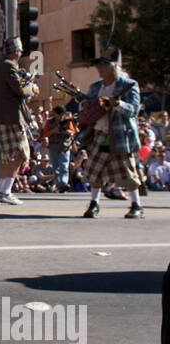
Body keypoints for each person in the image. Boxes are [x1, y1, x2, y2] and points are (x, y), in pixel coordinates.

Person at [80, 48, 144, 219]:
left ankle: (136, 205)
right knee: (95, 171)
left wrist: (118, 104)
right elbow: (88, 106)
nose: (100, 68)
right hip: (99, 133)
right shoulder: (95, 87)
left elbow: (134, 110)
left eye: (104, 65)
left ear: (114, 66)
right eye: (99, 65)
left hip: (120, 134)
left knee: (127, 171)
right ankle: (94, 204)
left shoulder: (128, 85)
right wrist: (86, 106)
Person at [0, 37, 35, 206]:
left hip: (1, 118)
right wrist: (32, 88)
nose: (22, 53)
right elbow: (20, 89)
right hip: (12, 118)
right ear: (15, 51)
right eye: (20, 50)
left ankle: (0, 192)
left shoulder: (0, 67)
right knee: (20, 154)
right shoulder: (9, 66)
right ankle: (5, 191)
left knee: (6, 157)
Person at [41, 105, 76, 191]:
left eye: (62, 114)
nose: (60, 116)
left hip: (64, 146)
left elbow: (72, 132)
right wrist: (54, 131)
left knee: (64, 165)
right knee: (55, 166)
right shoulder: (49, 122)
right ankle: (59, 184)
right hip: (53, 146)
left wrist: (66, 131)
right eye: (58, 114)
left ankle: (63, 184)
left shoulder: (68, 122)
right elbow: (45, 134)